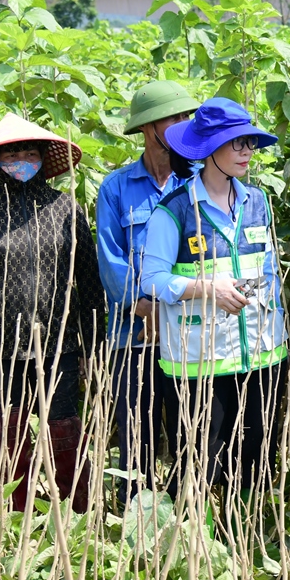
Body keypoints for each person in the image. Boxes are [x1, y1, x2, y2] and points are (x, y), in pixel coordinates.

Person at [139, 98, 286, 530]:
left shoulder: (258, 203)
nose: (246, 152)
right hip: (199, 361)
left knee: (257, 455)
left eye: (250, 144)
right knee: (200, 459)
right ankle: (191, 544)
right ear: (209, 150)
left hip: (261, 356)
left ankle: (245, 535)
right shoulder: (176, 210)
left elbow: (271, 269)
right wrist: (208, 289)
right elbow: (151, 280)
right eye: (236, 144)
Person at [0, 114, 107, 514]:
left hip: (60, 349)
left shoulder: (64, 209)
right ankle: (17, 526)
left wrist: (93, 346)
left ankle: (78, 520)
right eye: (12, 153)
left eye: (30, 153)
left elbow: (88, 284)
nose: (21, 159)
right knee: (11, 448)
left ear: (43, 159)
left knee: (65, 439)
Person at [95, 80, 199, 508]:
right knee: (135, 431)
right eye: (173, 118)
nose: (182, 126)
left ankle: (185, 517)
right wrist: (143, 306)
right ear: (148, 127)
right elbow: (110, 259)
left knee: (186, 430)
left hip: (187, 333)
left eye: (185, 118)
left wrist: (168, 307)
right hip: (132, 334)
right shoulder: (116, 188)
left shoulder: (195, 182)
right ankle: (134, 518)